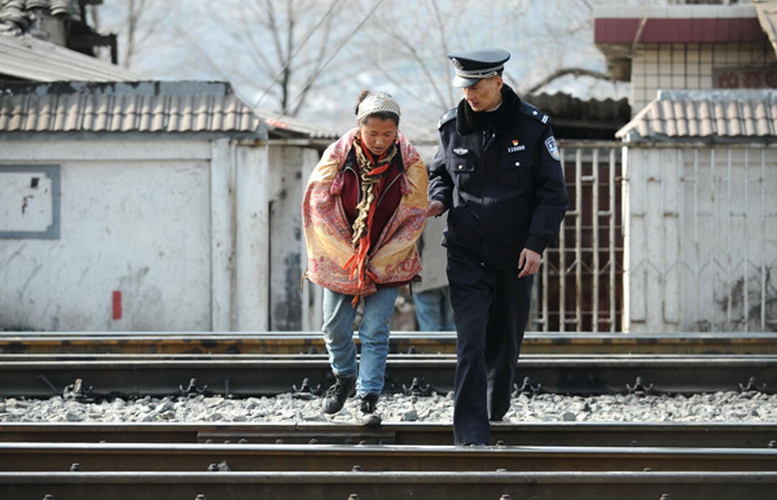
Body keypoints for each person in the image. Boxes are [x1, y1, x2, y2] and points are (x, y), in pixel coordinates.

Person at [427, 49, 569, 446]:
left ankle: (495, 406)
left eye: (476, 86)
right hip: (466, 251)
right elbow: (439, 173)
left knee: (504, 341)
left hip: (515, 256)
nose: (469, 93)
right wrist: (438, 199)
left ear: (497, 82)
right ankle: (470, 433)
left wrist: (536, 244)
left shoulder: (533, 126)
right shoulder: (451, 126)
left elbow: (553, 194)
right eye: (464, 86)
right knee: (470, 340)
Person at [302, 91, 428, 426]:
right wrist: (351, 257)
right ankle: (344, 376)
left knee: (375, 330)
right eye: (372, 134)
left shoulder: (410, 161)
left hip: (389, 254)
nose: (379, 141)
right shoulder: (338, 156)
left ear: (397, 131)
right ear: (359, 127)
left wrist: (378, 263)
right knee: (334, 326)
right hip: (342, 253)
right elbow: (318, 205)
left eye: (388, 135)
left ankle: (368, 397)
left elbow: (415, 215)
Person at [413, 216, 455, 331]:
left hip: (427, 275)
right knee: (452, 329)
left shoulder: (423, 202)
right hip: (455, 274)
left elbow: (414, 243)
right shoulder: (462, 201)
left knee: (429, 331)